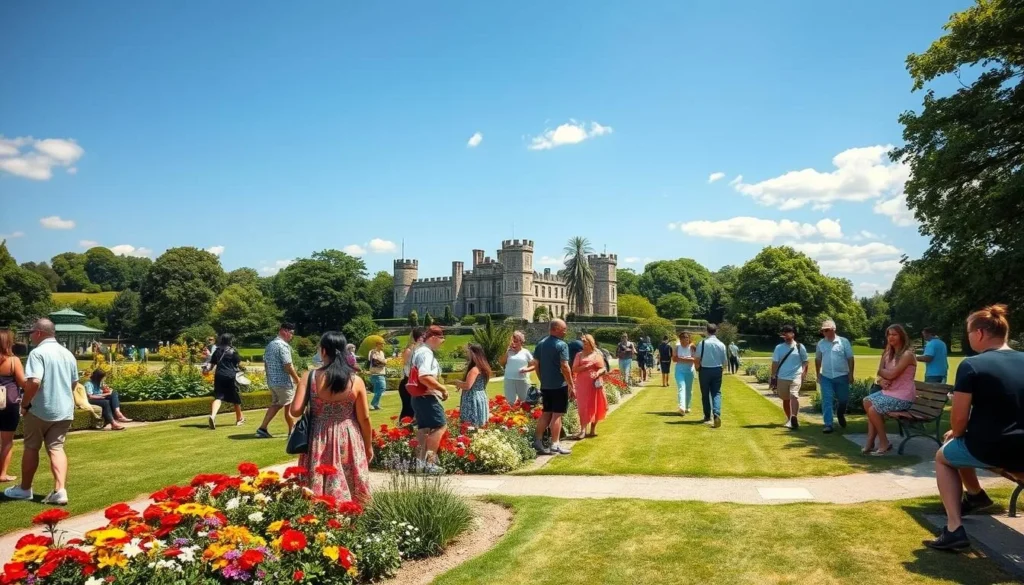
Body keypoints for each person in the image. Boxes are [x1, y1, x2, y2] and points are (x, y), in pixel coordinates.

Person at [924, 304, 1024, 551]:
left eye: (968, 333)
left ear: (979, 333)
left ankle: (953, 528)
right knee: (961, 445)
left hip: (992, 448)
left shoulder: (972, 365)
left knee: (944, 455)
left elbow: (958, 422)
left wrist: (956, 434)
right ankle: (976, 495)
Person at [290, 331, 372, 504]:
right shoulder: (355, 380)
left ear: (324, 351)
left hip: (318, 436)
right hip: (348, 435)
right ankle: (351, 516)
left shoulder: (310, 377)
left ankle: (320, 515)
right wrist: (368, 445)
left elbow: (295, 411)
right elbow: (364, 418)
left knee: (318, 476)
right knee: (351, 476)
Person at [3, 319, 78, 505]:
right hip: (64, 409)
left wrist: (26, 403)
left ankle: (25, 488)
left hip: (40, 408)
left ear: (38, 333)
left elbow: (34, 381)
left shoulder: (37, 353)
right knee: (57, 447)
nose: (30, 337)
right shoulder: (68, 354)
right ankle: (60, 490)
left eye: (31, 333)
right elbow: (74, 383)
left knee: (31, 447)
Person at [862, 324, 917, 456]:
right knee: (866, 401)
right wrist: (882, 379)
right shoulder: (887, 353)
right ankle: (870, 441)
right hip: (890, 392)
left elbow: (892, 374)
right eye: (889, 334)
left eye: (894, 334)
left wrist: (884, 373)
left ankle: (884, 442)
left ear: (901, 336)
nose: (890, 337)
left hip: (904, 396)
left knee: (873, 409)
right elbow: (880, 372)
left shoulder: (907, 354)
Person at [406, 326, 450, 473]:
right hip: (426, 396)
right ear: (433, 338)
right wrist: (442, 388)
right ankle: (430, 464)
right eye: (441, 339)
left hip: (417, 397)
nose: (442, 342)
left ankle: (420, 463)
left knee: (423, 429)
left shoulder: (417, 351)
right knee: (440, 425)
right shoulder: (426, 353)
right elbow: (424, 376)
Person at [531, 319, 575, 455]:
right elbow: (565, 366)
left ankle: (537, 441)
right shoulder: (562, 345)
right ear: (555, 328)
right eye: (563, 329)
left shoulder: (541, 344)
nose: (565, 331)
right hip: (558, 385)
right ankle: (555, 444)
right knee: (557, 415)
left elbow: (535, 365)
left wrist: (542, 379)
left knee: (546, 413)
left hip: (546, 385)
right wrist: (571, 384)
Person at [257, 323, 300, 439]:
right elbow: (288, 366)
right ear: (284, 331)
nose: (292, 336)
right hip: (283, 382)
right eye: (291, 333)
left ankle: (262, 428)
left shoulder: (270, 345)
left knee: (276, 405)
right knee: (289, 406)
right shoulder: (283, 346)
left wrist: (270, 378)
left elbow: (266, 363)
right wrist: (297, 380)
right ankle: (293, 431)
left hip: (273, 382)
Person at [816, 319, 855, 434]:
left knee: (843, 400)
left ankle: (840, 413)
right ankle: (828, 424)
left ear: (833, 330)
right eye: (823, 330)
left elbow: (850, 358)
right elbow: (818, 359)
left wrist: (851, 374)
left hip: (842, 375)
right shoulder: (820, 343)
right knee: (827, 400)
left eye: (826, 330)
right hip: (826, 376)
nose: (824, 333)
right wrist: (818, 374)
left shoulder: (844, 342)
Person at [1, 330, 27, 483]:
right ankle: (2, 473)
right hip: (8, 403)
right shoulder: (13, 361)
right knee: (6, 441)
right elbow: (22, 382)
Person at [770, 325, 808, 431]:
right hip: (782, 376)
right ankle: (789, 419)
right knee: (786, 399)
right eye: (784, 333)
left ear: (793, 334)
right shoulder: (779, 348)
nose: (786, 334)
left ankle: (794, 417)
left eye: (788, 332)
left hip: (796, 375)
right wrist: (773, 376)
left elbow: (805, 361)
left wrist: (804, 372)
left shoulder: (800, 347)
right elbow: (775, 362)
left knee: (794, 396)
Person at [572, 334, 607, 439]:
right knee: (583, 406)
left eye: (586, 343)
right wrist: (585, 366)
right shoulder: (579, 355)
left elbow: (603, 369)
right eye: (583, 343)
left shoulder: (597, 355)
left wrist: (598, 373)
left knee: (595, 404)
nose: (584, 345)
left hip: (595, 384)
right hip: (582, 383)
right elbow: (574, 369)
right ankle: (582, 430)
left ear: (591, 343)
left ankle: (592, 429)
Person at [207, 333, 245, 430]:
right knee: (235, 398)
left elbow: (210, 367)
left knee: (218, 397)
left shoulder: (217, 351)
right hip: (230, 376)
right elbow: (240, 364)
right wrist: (244, 368)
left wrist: (205, 370)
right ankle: (239, 419)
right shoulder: (233, 351)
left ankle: (213, 416)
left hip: (219, 376)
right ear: (230, 340)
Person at [696, 323, 728, 427]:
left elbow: (697, 358)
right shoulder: (721, 344)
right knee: (716, 393)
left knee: (705, 394)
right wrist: (721, 370)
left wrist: (697, 368)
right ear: (716, 331)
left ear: (707, 331)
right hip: (717, 369)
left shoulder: (703, 343)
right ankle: (716, 413)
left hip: (705, 370)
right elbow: (725, 361)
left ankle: (707, 416)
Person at [453, 343, 491, 428]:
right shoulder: (484, 367)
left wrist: (457, 382)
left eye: (469, 353)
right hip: (481, 396)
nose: (468, 355)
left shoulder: (475, 369)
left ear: (474, 354)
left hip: (472, 398)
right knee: (480, 423)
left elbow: (468, 386)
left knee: (470, 424)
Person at [499, 331, 535, 403]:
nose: (513, 343)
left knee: (525, 401)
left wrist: (526, 369)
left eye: (516, 341)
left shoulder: (526, 352)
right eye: (512, 342)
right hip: (509, 379)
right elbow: (501, 362)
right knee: (510, 402)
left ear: (521, 342)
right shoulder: (508, 352)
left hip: (522, 380)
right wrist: (507, 351)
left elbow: (534, 365)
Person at [398, 328, 424, 422]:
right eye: (422, 337)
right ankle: (403, 430)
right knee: (408, 409)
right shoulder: (409, 350)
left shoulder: (421, 350)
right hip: (408, 382)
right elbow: (406, 367)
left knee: (416, 410)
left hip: (416, 382)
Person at [673, 331, 697, 415]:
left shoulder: (692, 347)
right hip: (679, 371)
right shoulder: (677, 347)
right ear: (680, 339)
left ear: (689, 339)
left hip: (689, 371)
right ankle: (682, 407)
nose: (685, 340)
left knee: (689, 389)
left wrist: (683, 359)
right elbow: (674, 359)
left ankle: (687, 406)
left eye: (687, 338)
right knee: (681, 387)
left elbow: (695, 359)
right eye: (683, 338)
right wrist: (686, 359)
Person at [367, 339, 388, 411]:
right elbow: (375, 362)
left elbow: (383, 362)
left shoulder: (382, 352)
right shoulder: (372, 352)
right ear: (377, 344)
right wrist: (383, 361)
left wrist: (382, 361)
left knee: (377, 391)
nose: (383, 345)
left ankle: (376, 405)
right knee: (382, 388)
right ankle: (373, 404)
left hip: (381, 373)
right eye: (381, 344)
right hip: (375, 374)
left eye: (383, 344)